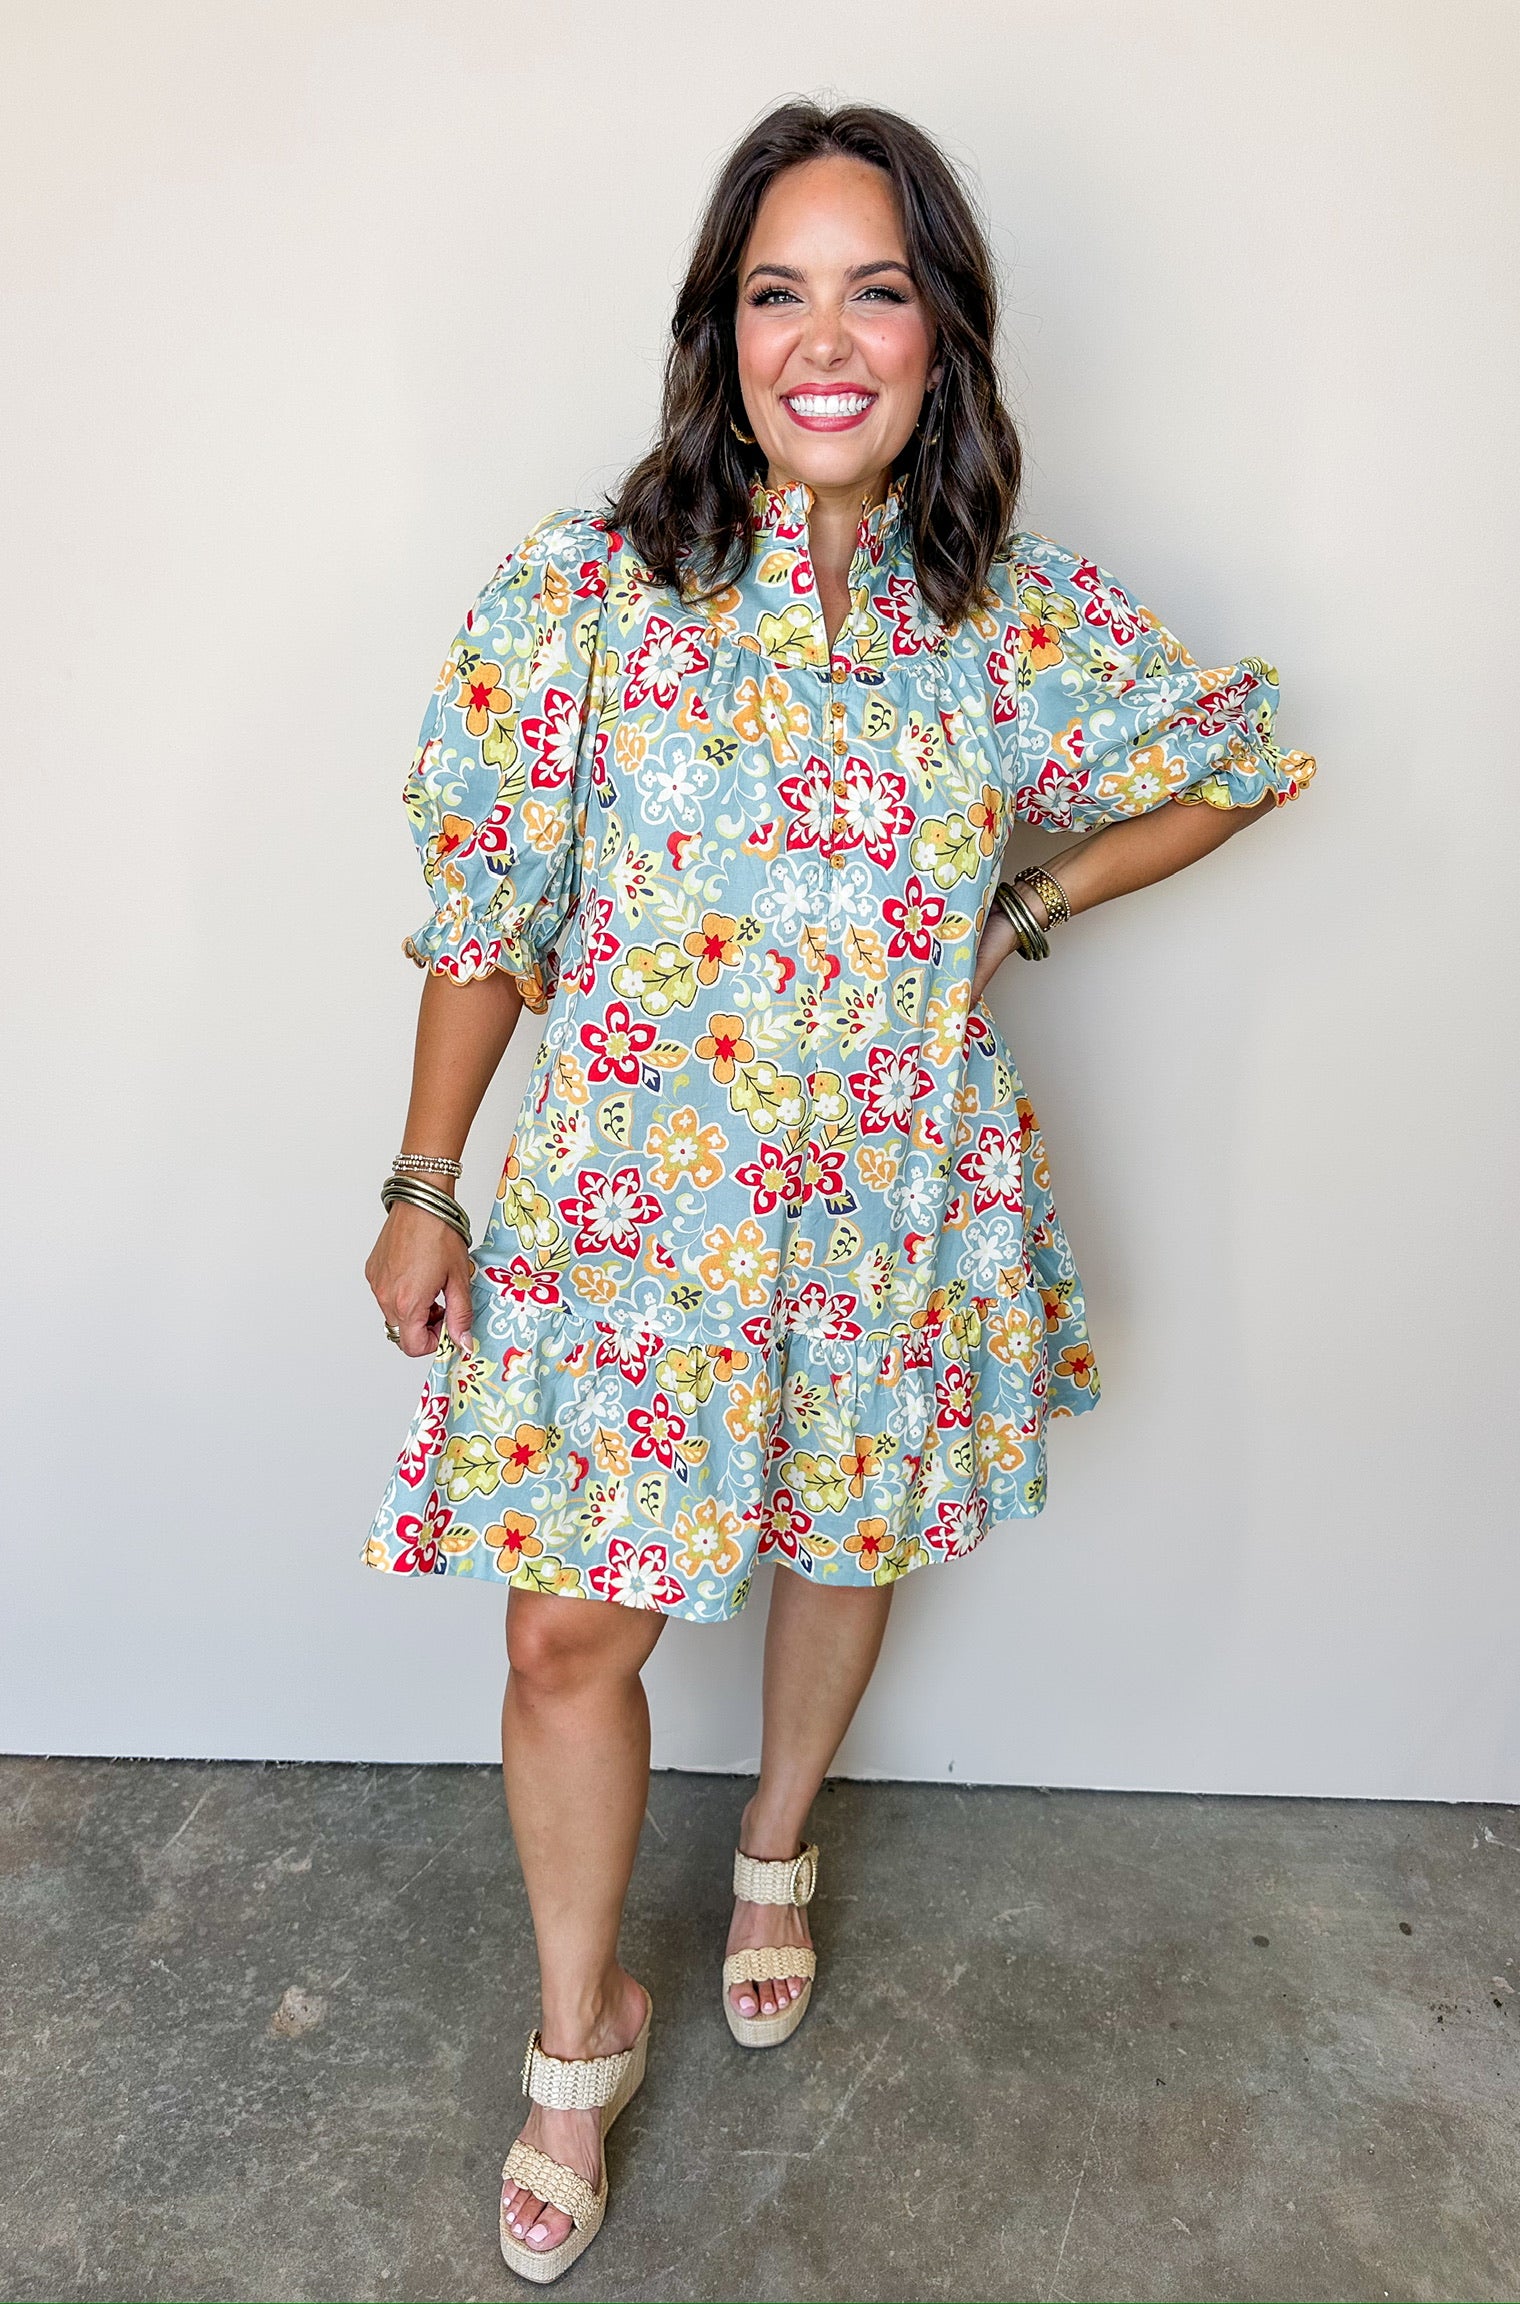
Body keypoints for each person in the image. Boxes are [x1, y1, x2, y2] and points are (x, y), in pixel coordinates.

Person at [363, 100, 1314, 2282]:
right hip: (632, 1225)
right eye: (776, 290)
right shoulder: (589, 593)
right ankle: (579, 2036)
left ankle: (775, 1844)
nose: (824, 338)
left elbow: (1249, 751)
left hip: (892, 1199)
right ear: (720, 332)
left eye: (874, 290)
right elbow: (486, 906)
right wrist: (426, 1180)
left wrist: (1029, 903)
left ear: (940, 335)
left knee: (841, 1533)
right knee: (562, 1632)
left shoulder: (1005, 618)